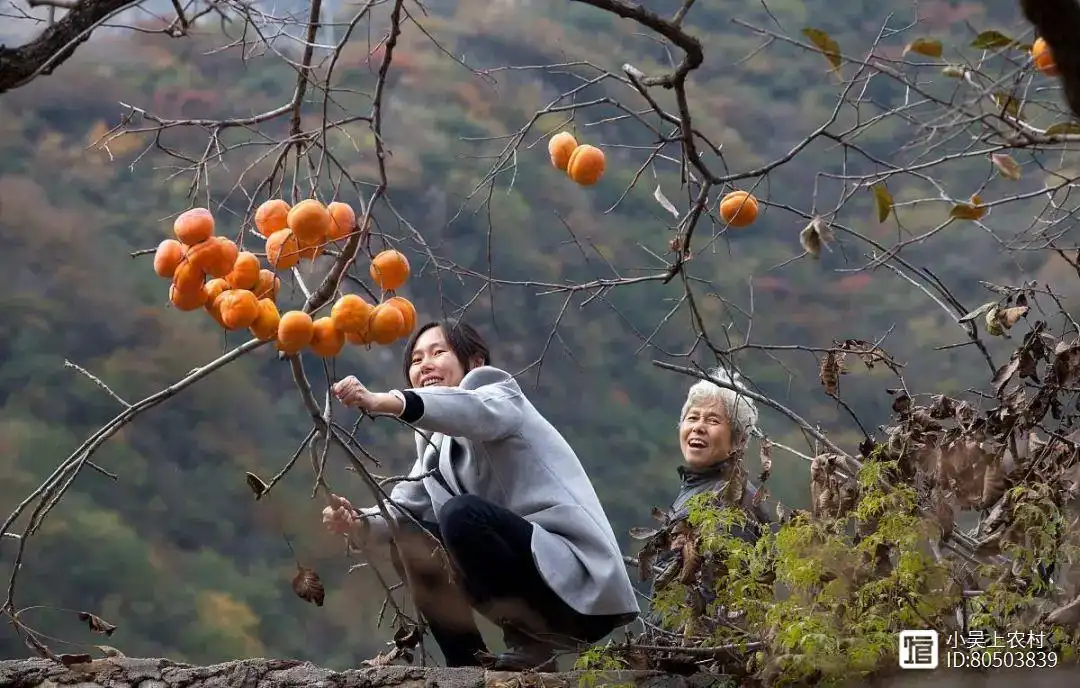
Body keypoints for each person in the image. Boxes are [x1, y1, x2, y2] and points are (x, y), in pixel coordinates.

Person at [323, 318, 640, 670]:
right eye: (415, 360)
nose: (424, 363)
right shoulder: (435, 445)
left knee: (461, 514)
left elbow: (474, 412)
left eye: (438, 352)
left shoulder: (497, 392)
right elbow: (402, 510)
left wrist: (387, 401)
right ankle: (467, 664)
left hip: (576, 584)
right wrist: (358, 521)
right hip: (532, 586)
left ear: (474, 362)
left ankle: (532, 644)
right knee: (409, 539)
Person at [645, 367, 773, 633]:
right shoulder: (697, 488)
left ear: (738, 440)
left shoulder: (733, 501)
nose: (698, 427)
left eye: (713, 421)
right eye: (693, 417)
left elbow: (719, 605)